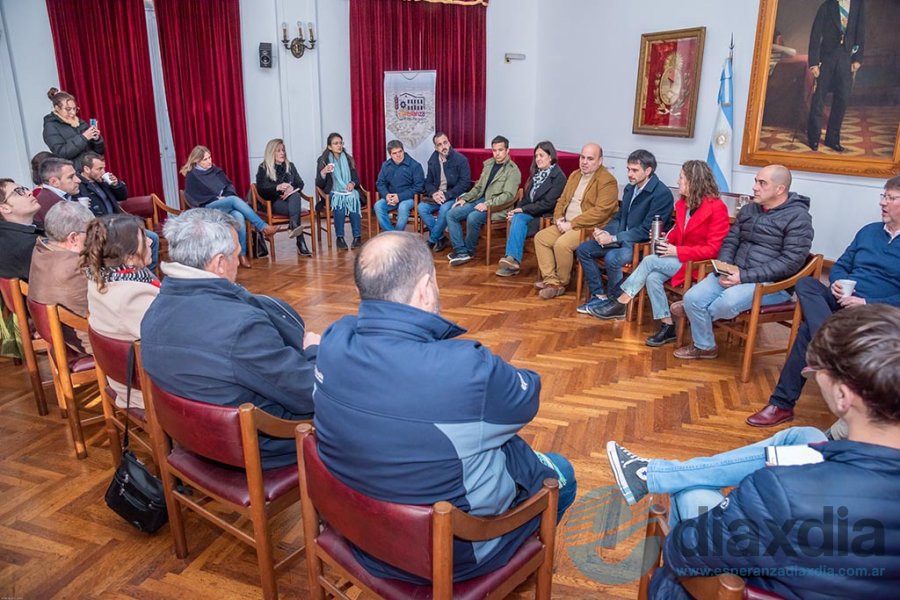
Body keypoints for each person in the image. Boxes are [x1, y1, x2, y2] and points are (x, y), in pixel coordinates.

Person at [313, 231, 577, 583]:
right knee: (561, 473)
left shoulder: (333, 341)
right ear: (425, 288)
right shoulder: (467, 369)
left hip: (354, 530)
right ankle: (521, 571)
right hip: (445, 557)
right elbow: (526, 398)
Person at [610, 305, 900, 599]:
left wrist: (757, 495)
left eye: (818, 371)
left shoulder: (780, 490)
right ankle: (654, 474)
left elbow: (682, 552)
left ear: (843, 396)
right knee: (806, 435)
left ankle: (656, 476)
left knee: (692, 491)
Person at [140, 208, 319, 468]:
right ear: (219, 262)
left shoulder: (155, 310)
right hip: (254, 447)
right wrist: (313, 351)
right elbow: (306, 393)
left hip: (190, 438)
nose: (240, 259)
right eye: (238, 253)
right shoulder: (242, 326)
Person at [747, 175, 900, 427]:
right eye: (882, 196)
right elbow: (841, 265)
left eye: (890, 198)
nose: (882, 202)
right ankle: (828, 345)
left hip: (877, 312)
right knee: (806, 283)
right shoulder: (869, 231)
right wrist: (839, 283)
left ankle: (781, 404)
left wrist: (865, 302)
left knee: (807, 329)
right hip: (843, 299)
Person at [675, 165, 814, 360]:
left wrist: (743, 277)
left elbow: (790, 262)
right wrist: (725, 268)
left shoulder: (798, 218)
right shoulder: (750, 209)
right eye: (756, 181)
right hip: (735, 272)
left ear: (780, 189)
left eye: (762, 183)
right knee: (692, 298)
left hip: (771, 284)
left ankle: (693, 316)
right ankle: (706, 346)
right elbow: (731, 241)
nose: (755, 187)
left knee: (721, 304)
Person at [587, 161, 729, 349]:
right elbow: (679, 234)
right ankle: (667, 325)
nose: (678, 182)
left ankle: (621, 302)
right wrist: (666, 239)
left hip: (697, 264)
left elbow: (713, 250)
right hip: (679, 259)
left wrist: (677, 250)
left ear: (695, 182)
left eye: (681, 178)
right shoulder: (683, 204)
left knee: (649, 261)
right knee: (653, 277)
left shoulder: (717, 208)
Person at [572, 149, 671, 306]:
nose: (630, 174)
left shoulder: (661, 194)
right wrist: (605, 231)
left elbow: (646, 230)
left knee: (613, 258)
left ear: (648, 170)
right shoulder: (630, 188)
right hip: (621, 239)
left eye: (634, 170)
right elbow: (619, 217)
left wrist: (613, 238)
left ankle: (615, 303)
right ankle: (599, 295)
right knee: (583, 249)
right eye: (628, 169)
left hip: (640, 245)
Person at [83, 214, 159, 409]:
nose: (150, 240)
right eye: (143, 238)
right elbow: (172, 343)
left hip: (126, 383)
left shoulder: (99, 280)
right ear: (129, 257)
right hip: (148, 394)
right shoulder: (133, 296)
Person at [533, 143, 618, 298]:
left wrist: (571, 224)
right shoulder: (574, 175)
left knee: (562, 244)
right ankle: (551, 280)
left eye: (590, 159)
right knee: (540, 238)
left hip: (587, 227)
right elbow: (561, 200)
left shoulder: (607, 181)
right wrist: (558, 218)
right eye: (582, 157)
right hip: (565, 223)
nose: (584, 162)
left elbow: (600, 212)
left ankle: (561, 282)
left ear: (600, 161)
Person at [180, 145, 279, 267]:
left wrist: (225, 196)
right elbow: (193, 196)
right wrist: (216, 198)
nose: (209, 161)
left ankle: (241, 255)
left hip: (224, 204)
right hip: (207, 207)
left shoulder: (215, 170)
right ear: (197, 161)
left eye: (210, 157)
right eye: (205, 159)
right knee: (233, 200)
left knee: (239, 217)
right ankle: (263, 227)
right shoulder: (192, 175)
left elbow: (228, 186)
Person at [27, 201, 94, 353]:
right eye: (91, 232)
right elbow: (105, 305)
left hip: (60, 337)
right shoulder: (74, 267)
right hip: (86, 342)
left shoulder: (41, 249)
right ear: (73, 238)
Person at [446, 135, 521, 266]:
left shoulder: (513, 171)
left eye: (500, 150)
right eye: (494, 150)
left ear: (507, 150)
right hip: (479, 200)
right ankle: (461, 251)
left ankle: (469, 251)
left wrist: (487, 204)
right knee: (451, 213)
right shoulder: (489, 165)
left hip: (497, 206)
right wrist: (465, 198)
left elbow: (508, 196)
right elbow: (479, 187)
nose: (497, 154)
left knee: (473, 217)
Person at [495, 141, 567, 277]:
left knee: (519, 219)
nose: (538, 159)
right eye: (536, 156)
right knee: (517, 217)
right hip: (531, 212)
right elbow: (527, 198)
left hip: (545, 216)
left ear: (550, 157)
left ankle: (513, 262)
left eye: (541, 155)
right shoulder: (536, 174)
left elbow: (548, 204)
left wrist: (522, 210)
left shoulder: (559, 178)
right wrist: (516, 210)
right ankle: (512, 260)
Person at [79, 152, 159, 270]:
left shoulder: (102, 182)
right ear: (86, 169)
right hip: (104, 227)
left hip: (118, 223)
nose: (103, 172)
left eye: (104, 168)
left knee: (153, 238)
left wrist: (116, 185)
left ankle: (147, 272)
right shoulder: (80, 186)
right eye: (99, 169)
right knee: (144, 240)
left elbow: (123, 196)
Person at [806, 0, 865, 152]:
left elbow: (860, 31)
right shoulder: (827, 6)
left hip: (846, 58)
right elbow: (815, 35)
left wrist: (857, 58)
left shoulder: (857, 5)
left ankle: (832, 139)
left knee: (842, 99)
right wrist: (813, 63)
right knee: (819, 98)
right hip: (826, 58)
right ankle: (813, 137)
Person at [255, 138, 312, 256]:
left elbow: (300, 183)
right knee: (295, 208)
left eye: (283, 150)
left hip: (291, 200)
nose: (282, 153)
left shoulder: (290, 166)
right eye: (278, 151)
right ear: (271, 152)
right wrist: (277, 187)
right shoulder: (263, 168)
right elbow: (261, 190)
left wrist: (292, 188)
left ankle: (294, 225)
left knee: (295, 195)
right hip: (274, 202)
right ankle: (299, 240)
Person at [417, 132, 471, 252]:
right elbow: (428, 182)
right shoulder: (432, 160)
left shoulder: (461, 160)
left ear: (449, 143)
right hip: (437, 195)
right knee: (421, 208)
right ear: (436, 148)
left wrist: (447, 195)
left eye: (445, 142)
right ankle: (440, 237)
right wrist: (434, 194)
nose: (443, 146)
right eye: (440, 144)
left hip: (453, 195)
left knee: (444, 209)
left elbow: (465, 183)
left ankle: (431, 240)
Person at [316, 132, 363, 250]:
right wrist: (323, 172)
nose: (339, 146)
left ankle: (357, 237)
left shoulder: (348, 159)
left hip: (348, 191)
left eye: (340, 143)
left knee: (353, 200)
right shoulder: (323, 160)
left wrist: (352, 183)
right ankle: (340, 238)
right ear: (329, 146)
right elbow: (319, 184)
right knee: (340, 204)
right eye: (335, 143)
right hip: (333, 192)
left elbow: (356, 179)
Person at [42, 87, 105, 173]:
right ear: (56, 108)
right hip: (74, 174)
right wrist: (84, 138)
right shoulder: (51, 127)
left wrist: (97, 140)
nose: (73, 113)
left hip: (91, 171)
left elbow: (99, 152)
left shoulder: (80, 122)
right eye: (68, 109)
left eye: (75, 109)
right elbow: (61, 153)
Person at [374, 140, 423, 233]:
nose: (398, 155)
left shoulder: (415, 165)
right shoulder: (386, 165)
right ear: (390, 155)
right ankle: (393, 234)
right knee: (378, 205)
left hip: (409, 198)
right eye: (394, 153)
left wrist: (399, 197)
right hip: (391, 197)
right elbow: (380, 183)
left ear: (403, 150)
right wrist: (386, 195)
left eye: (400, 152)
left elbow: (419, 187)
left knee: (403, 207)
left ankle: (396, 235)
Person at [0, 179, 43, 281]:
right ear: (4, 208)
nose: (29, 193)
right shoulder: (30, 244)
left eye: (25, 189)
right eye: (19, 192)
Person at [34, 157, 82, 224]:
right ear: (54, 182)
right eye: (71, 177)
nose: (78, 180)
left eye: (76, 175)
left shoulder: (58, 197)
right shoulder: (51, 205)